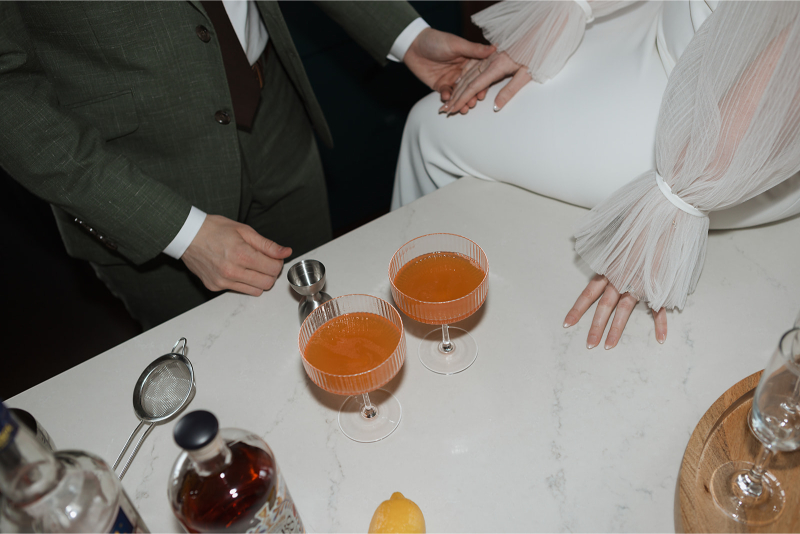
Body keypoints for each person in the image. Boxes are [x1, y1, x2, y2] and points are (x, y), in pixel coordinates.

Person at [0, 1, 494, 329]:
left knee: (328, 316)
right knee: (219, 366)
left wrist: (407, 36)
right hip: (137, 173)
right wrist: (180, 231)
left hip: (274, 111)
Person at [392, 1, 800, 349]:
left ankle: (419, 317)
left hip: (732, 113)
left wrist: (674, 200)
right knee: (432, 120)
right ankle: (417, 294)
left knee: (431, 128)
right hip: (666, 21)